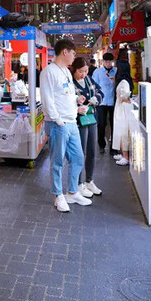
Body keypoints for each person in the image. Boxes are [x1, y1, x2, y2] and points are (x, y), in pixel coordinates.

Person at [40, 39, 91, 213]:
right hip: (58, 123)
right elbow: (47, 100)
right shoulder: (48, 72)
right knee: (57, 161)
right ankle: (58, 195)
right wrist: (57, 119)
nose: (74, 56)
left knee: (77, 158)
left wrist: (76, 102)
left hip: (71, 121)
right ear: (65, 52)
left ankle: (72, 191)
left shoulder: (66, 72)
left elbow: (65, 94)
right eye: (73, 53)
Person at [70, 57, 103, 198]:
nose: (83, 74)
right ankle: (78, 184)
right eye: (81, 71)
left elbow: (100, 92)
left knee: (91, 151)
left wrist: (96, 100)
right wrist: (76, 106)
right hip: (79, 122)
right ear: (74, 70)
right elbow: (65, 101)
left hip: (92, 120)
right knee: (79, 153)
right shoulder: (70, 83)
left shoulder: (89, 80)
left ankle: (89, 180)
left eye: (86, 71)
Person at [91, 52, 116, 154]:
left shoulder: (116, 71)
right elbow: (93, 85)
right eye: (106, 61)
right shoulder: (98, 72)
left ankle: (113, 147)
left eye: (110, 61)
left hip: (113, 101)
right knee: (101, 124)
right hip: (101, 102)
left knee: (114, 124)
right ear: (103, 62)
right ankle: (101, 145)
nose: (108, 63)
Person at [112, 60, 134, 166]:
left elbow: (125, 97)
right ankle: (122, 153)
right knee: (121, 130)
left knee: (122, 131)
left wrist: (123, 98)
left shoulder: (124, 82)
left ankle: (125, 156)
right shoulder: (125, 80)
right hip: (121, 107)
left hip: (122, 108)